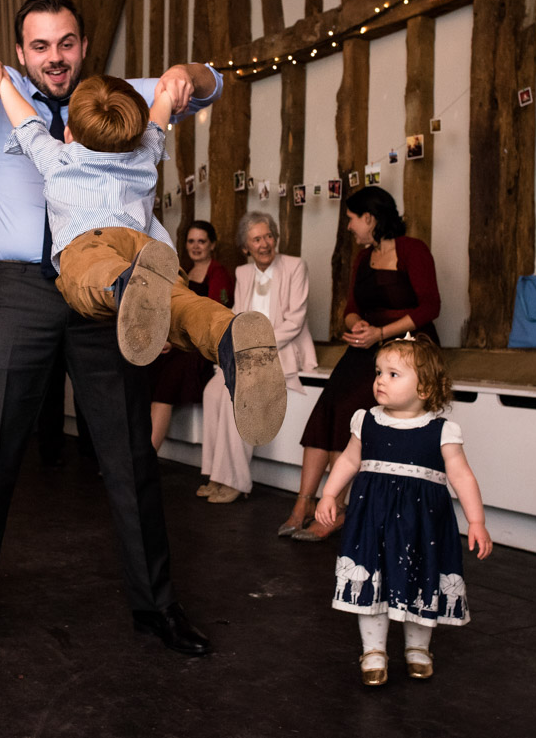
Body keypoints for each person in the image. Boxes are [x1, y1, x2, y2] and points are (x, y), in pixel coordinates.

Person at [0, 0, 221, 664]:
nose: (56, 58)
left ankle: (157, 605)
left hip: (109, 291)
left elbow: (207, 81)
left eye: (67, 43)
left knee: (130, 452)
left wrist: (185, 76)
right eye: (41, 46)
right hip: (19, 291)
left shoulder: (121, 97)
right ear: (22, 51)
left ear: (84, 45)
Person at [0, 72, 286, 444]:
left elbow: (27, 123)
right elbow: (160, 106)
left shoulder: (59, 158)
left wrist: (3, 83)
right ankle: (228, 336)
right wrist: (170, 87)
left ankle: (123, 287)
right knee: (182, 306)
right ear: (134, 130)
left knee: (85, 276)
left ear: (70, 131)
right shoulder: (144, 151)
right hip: (148, 248)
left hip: (96, 246)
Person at [314, 335, 491, 685]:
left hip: (421, 525)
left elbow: (461, 475)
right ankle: (374, 650)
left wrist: (476, 520)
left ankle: (418, 647)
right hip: (371, 521)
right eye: (379, 372)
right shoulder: (365, 421)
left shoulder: (442, 431)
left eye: (393, 374)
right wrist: (329, 494)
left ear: (424, 387)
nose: (380, 379)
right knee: (372, 578)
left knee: (421, 577)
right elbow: (350, 460)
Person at [284, 187, 440, 540]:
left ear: (370, 217)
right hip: (366, 347)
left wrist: (382, 332)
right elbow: (351, 306)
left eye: (352, 219)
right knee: (328, 406)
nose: (350, 227)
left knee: (350, 411)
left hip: (407, 348)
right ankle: (303, 502)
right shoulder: (362, 258)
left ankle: (335, 510)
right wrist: (355, 325)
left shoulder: (413, 250)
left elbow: (430, 307)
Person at [198, 213, 316, 503]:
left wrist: (257, 348)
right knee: (212, 393)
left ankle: (235, 480)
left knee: (238, 399)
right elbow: (238, 314)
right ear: (245, 247)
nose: (265, 244)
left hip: (280, 352)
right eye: (257, 239)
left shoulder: (295, 266)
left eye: (268, 236)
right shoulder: (243, 273)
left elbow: (295, 321)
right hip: (246, 354)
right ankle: (216, 474)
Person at [149, 221, 233, 455]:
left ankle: (147, 457)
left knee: (164, 389)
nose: (196, 246)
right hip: (176, 345)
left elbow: (215, 315)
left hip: (199, 348)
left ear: (212, 245)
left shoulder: (218, 272)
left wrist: (176, 341)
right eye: (191, 241)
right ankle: (135, 455)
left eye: (202, 241)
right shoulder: (182, 272)